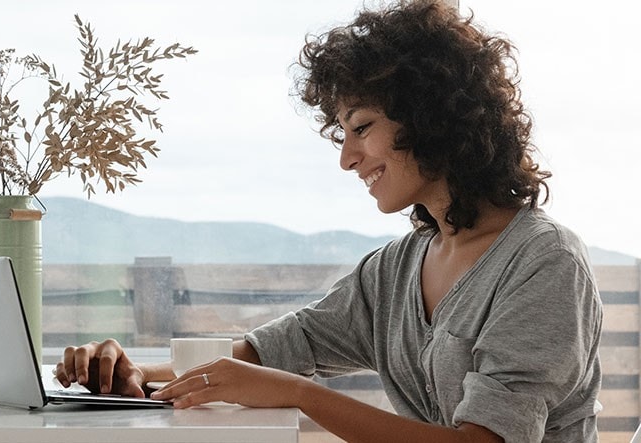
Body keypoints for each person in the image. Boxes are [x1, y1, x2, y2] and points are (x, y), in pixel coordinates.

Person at [55, 1, 602, 441]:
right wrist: (131, 373)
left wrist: (297, 392)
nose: (347, 158)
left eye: (361, 127)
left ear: (432, 117)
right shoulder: (396, 268)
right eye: (342, 133)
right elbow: (273, 351)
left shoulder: (545, 262)